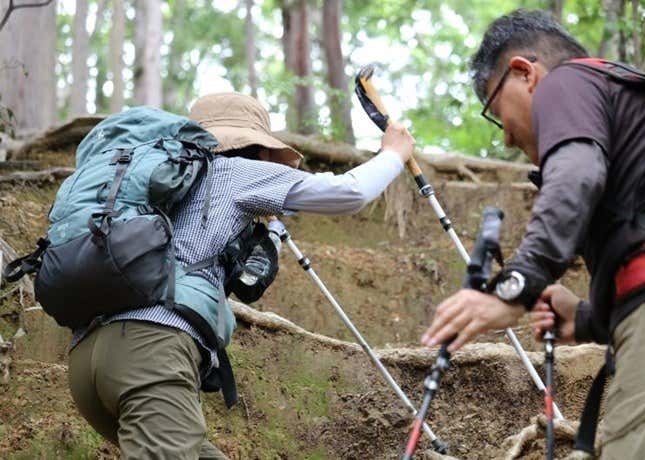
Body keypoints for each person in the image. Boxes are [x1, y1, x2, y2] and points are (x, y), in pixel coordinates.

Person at [67, 92, 416, 459]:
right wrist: (393, 153)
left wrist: (269, 233)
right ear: (261, 149)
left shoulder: (159, 181)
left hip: (87, 361)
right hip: (151, 352)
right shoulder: (237, 172)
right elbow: (350, 192)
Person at [421, 9, 645, 458]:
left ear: (524, 73)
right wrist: (587, 318)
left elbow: (577, 176)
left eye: (494, 108)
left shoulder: (566, 82)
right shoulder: (634, 108)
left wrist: (514, 288)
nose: (506, 139)